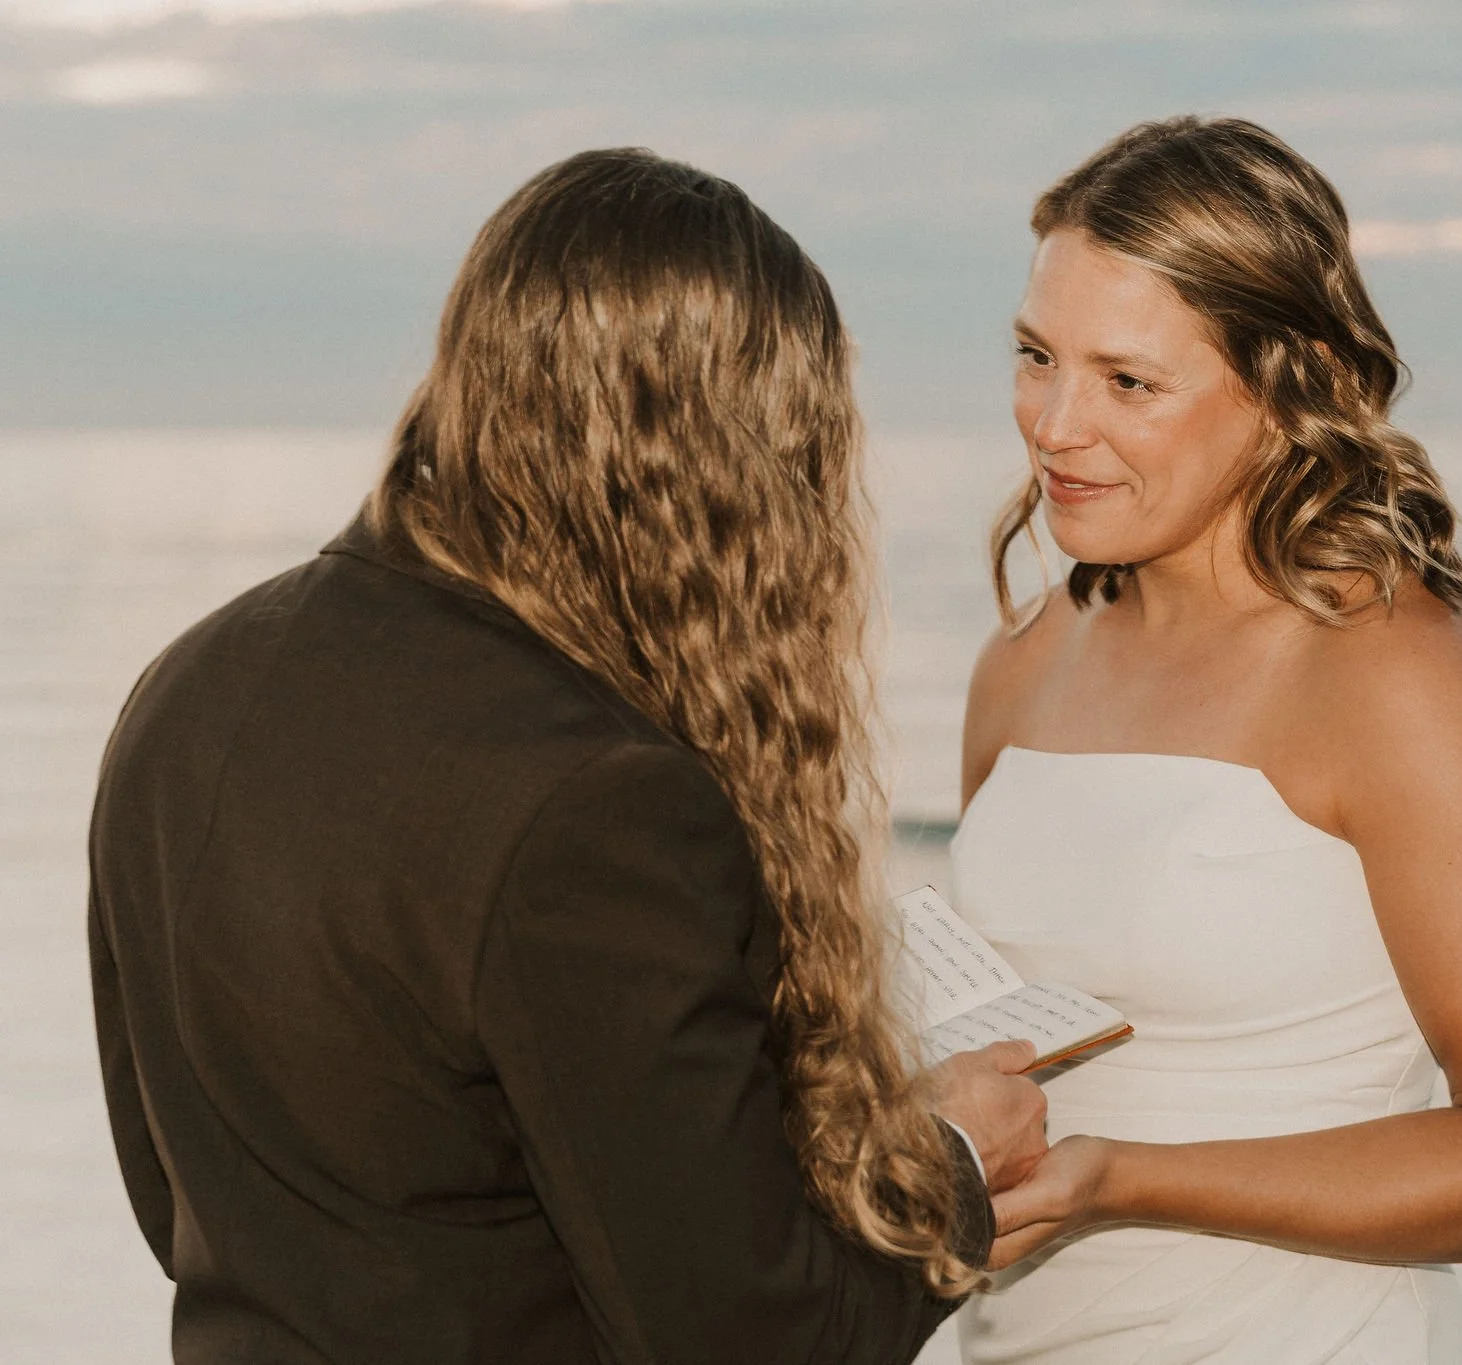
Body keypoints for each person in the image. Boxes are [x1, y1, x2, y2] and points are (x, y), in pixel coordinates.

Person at [87, 147, 1047, 1365]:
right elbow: (754, 1344)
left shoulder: (189, 683)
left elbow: (172, 1203)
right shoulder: (604, 807)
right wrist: (955, 1172)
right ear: (718, 470)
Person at [948, 117, 1462, 1363]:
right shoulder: (1025, 660)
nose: (1052, 423)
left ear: (1283, 382)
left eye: (1126, 381)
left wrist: (1116, 1180)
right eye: (1036, 356)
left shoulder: (1398, 678)